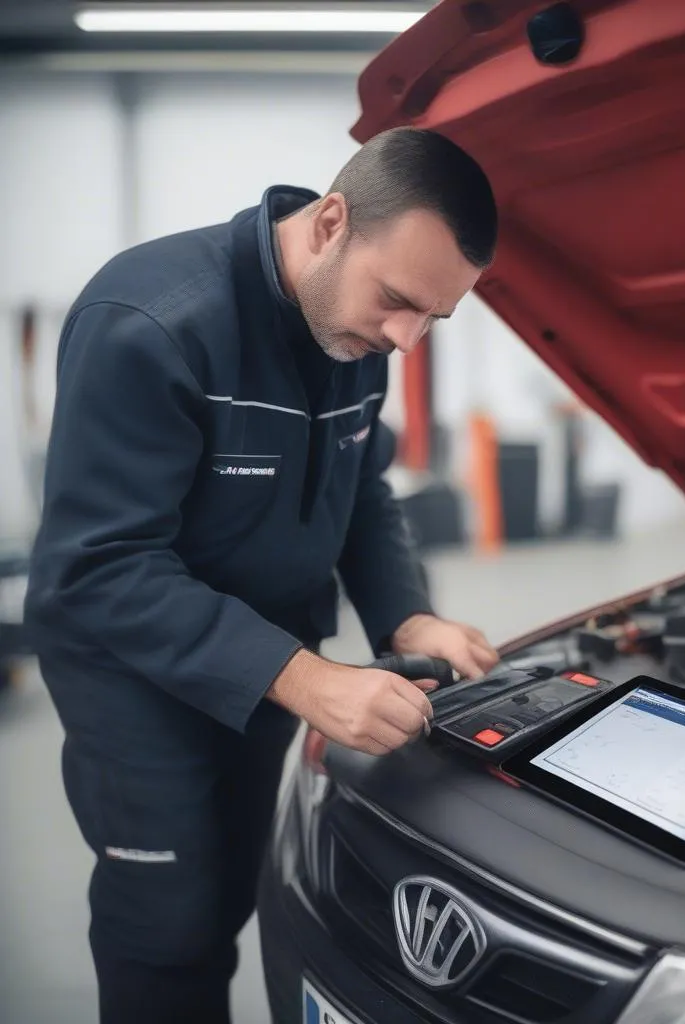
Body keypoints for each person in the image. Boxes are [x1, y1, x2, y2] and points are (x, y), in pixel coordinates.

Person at [25, 127, 501, 1024]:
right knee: (167, 927)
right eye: (398, 302)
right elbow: (98, 566)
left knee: (234, 888)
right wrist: (306, 677)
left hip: (274, 659)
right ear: (330, 223)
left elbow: (361, 488)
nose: (406, 338)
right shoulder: (153, 324)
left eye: (433, 319)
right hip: (133, 674)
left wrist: (407, 620)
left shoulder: (355, 333)